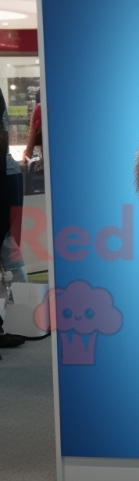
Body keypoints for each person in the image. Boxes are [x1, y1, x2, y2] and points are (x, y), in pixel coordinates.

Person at [0, 86, 26, 349]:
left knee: (11, 248)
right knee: (11, 248)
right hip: (8, 175)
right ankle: (22, 318)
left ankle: (23, 317)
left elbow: (2, 135)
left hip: (6, 177)